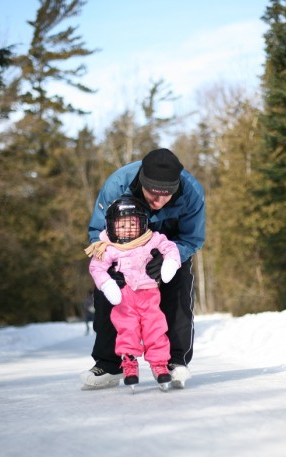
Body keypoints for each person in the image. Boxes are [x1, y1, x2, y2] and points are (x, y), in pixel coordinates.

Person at [81, 148, 205, 389]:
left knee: (179, 284)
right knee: (109, 290)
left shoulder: (192, 193)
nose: (157, 202)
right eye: (152, 195)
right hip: (122, 245)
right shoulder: (117, 185)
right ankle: (109, 364)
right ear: (142, 183)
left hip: (169, 247)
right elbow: (97, 231)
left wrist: (171, 257)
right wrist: (109, 263)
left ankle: (175, 361)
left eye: (166, 196)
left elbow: (192, 239)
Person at [85, 196, 181, 388]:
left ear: (142, 223)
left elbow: (170, 247)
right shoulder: (109, 247)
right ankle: (128, 362)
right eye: (121, 226)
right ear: (111, 227)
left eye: (132, 224)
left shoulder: (151, 239)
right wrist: (107, 284)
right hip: (124, 298)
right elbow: (96, 267)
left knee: (155, 328)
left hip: (149, 295)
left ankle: (159, 363)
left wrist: (170, 263)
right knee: (126, 329)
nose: (127, 230)